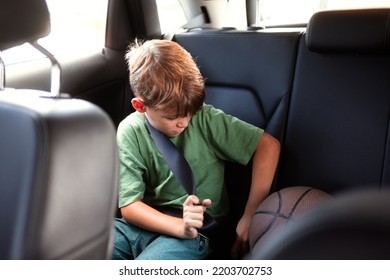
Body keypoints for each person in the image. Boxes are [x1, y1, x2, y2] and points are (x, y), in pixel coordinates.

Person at [112, 39, 280, 260]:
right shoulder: (129, 131)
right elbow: (130, 206)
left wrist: (250, 215)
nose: (184, 122)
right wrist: (176, 225)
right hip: (143, 226)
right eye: (173, 117)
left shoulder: (203, 118)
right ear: (140, 106)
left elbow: (268, 146)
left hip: (195, 232)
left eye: (189, 112)